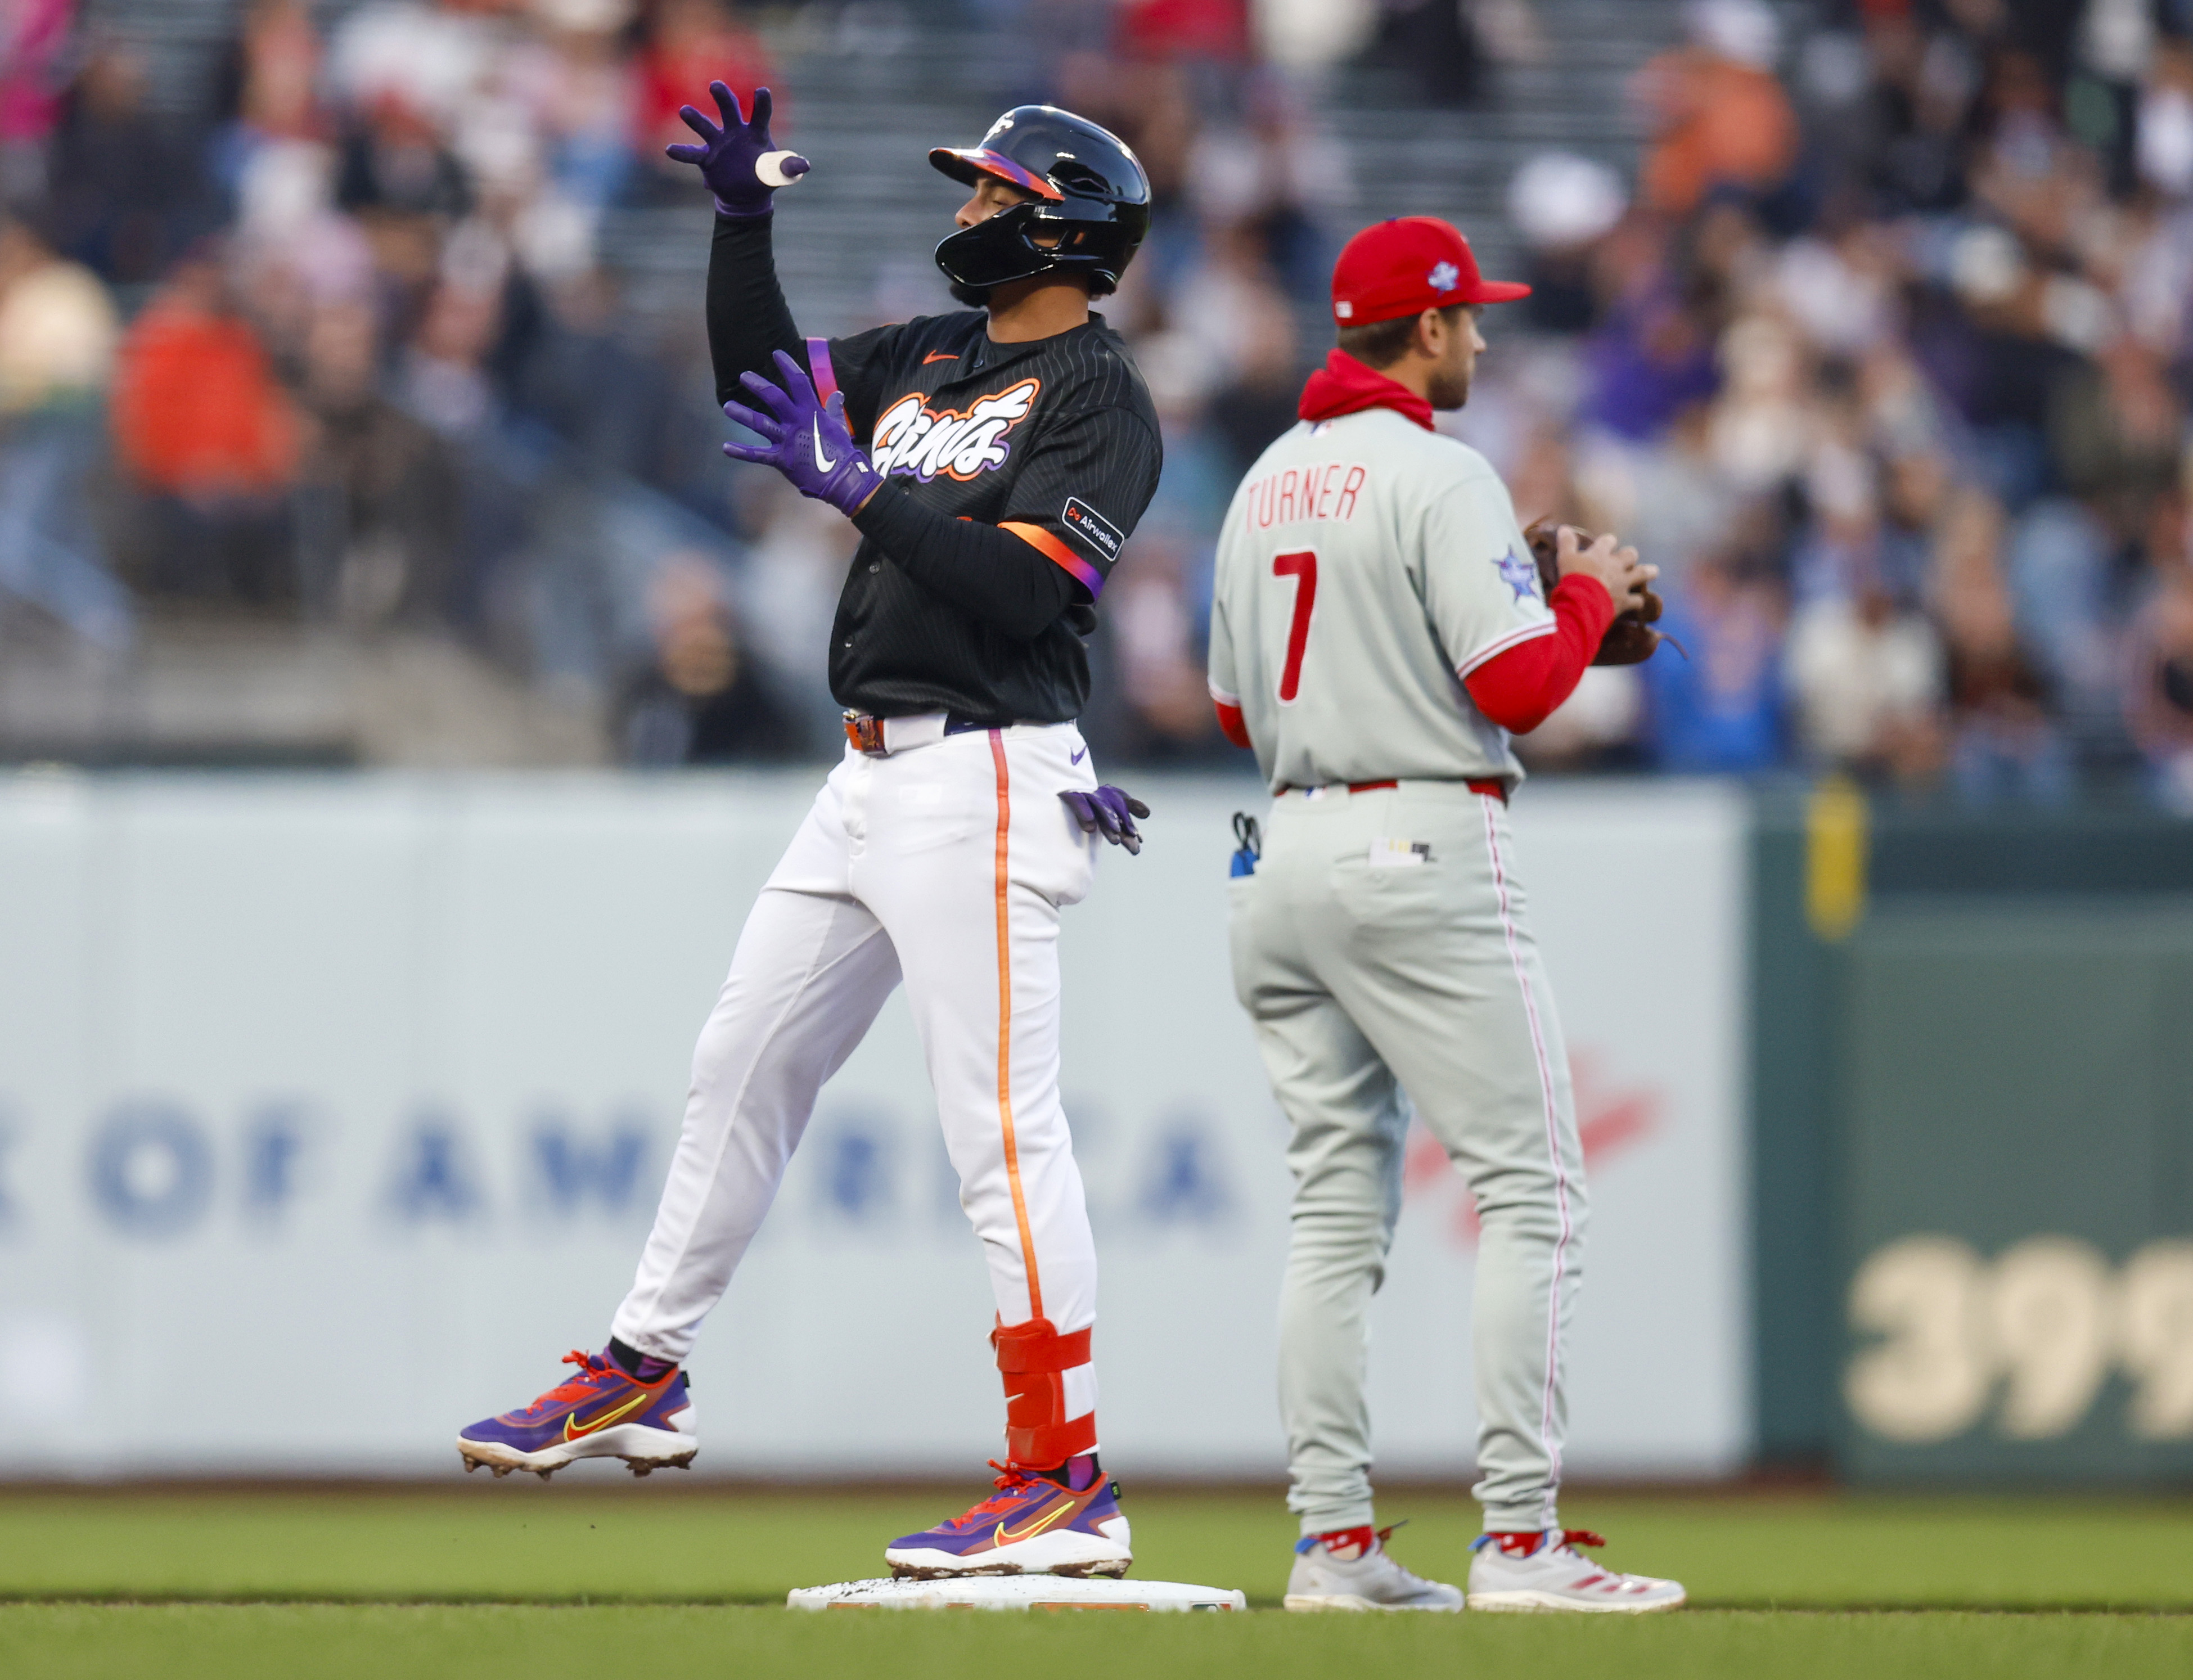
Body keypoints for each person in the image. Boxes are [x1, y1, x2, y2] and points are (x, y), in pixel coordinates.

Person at [456, 85, 1164, 1584]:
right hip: (868, 773)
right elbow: (762, 386)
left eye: (989, 195)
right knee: (740, 1061)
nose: (966, 212)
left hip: (984, 769)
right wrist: (740, 226)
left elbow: (1029, 590)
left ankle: (1063, 1474)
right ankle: (647, 1362)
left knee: (997, 1134)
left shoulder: (1099, 391)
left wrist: (861, 493)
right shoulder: (934, 352)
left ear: (1061, 223)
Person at [1208, 216, 1688, 1614]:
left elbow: (1236, 705)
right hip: (1417, 839)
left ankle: (1332, 1545)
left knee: (1332, 1213)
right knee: (1533, 1188)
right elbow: (1527, 688)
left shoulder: (1263, 483)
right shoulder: (1440, 470)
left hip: (1278, 849)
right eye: (1466, 318)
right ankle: (1522, 1541)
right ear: (1420, 331)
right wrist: (1584, 597)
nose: (1478, 336)